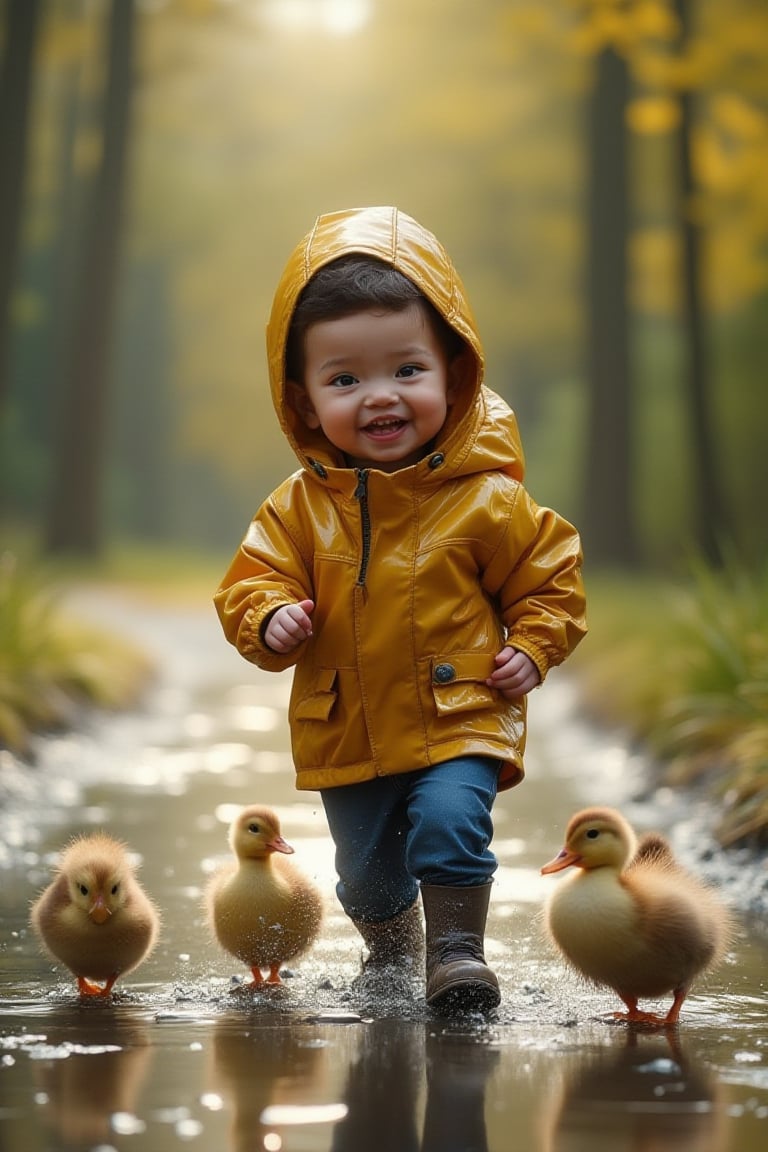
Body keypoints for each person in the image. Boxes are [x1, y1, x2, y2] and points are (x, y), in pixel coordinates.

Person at [214, 205, 587, 1015]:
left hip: (461, 708)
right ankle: (391, 950)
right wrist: (269, 617)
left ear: (452, 373)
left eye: (406, 370)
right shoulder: (295, 511)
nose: (380, 397)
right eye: (345, 379)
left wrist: (535, 640)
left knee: (452, 822)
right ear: (305, 402)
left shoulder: (486, 500)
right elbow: (251, 582)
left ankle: (457, 955)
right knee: (367, 871)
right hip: (347, 723)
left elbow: (548, 575)